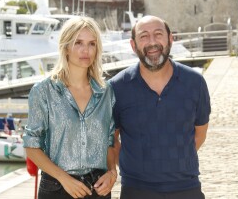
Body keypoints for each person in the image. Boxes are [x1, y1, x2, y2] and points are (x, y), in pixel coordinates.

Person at [109, 15, 211, 199]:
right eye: (144, 36)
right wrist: (135, 168)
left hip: (187, 188)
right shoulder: (117, 87)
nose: (152, 42)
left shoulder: (195, 83)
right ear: (133, 45)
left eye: (158, 34)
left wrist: (174, 162)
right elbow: (112, 140)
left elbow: (200, 134)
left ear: (170, 39)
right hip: (136, 190)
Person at [23, 16, 117, 199]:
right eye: (78, 43)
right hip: (57, 188)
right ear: (66, 46)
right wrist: (64, 179)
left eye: (92, 44)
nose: (85, 50)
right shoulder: (44, 91)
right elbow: (31, 146)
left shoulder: (106, 92)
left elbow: (110, 141)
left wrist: (112, 172)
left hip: (98, 189)